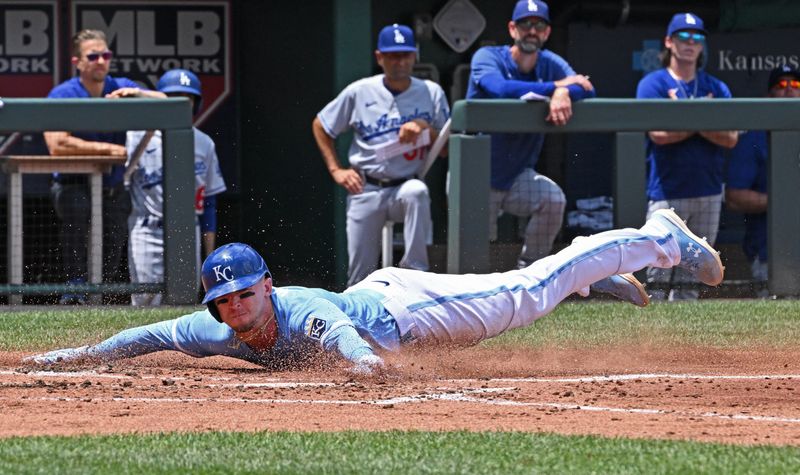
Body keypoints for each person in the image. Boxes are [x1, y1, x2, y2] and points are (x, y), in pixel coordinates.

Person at [26, 208, 724, 374]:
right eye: (224, 301)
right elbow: (144, 335)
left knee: (525, 291)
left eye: (244, 294)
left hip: (408, 312)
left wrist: (363, 369)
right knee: (531, 292)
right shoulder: (218, 331)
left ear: (267, 285)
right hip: (384, 294)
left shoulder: (302, 311)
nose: (235, 309)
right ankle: (588, 277)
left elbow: (344, 338)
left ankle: (657, 233)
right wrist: (73, 356)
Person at [312, 24, 450, 286]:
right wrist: (336, 170)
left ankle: (415, 276)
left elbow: (445, 149)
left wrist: (425, 128)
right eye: (392, 55)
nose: (399, 61)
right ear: (379, 57)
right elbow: (321, 125)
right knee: (358, 278)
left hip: (405, 183)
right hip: (366, 186)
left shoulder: (431, 92)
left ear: (414, 56)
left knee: (417, 192)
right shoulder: (359, 91)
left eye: (405, 55)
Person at [466, 0, 596, 269]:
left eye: (539, 25)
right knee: (473, 260)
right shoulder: (488, 56)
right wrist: (558, 86)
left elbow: (586, 87)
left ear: (547, 33)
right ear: (513, 29)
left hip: (517, 177)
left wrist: (563, 92)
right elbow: (499, 88)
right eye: (526, 24)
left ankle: (531, 274)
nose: (532, 31)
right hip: (476, 176)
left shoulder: (550, 62)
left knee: (553, 200)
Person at [44, 29, 165, 304]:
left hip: (112, 185)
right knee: (76, 219)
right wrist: (109, 150)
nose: (101, 60)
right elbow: (56, 143)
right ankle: (74, 291)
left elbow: (169, 103)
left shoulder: (118, 85)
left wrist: (136, 93)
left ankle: (99, 295)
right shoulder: (63, 93)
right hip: (74, 183)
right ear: (77, 61)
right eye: (93, 56)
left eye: (106, 55)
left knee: (113, 237)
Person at [636, 13, 738, 300]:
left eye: (696, 38)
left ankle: (683, 344)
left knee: (693, 276)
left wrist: (682, 114)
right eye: (683, 37)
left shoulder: (717, 87)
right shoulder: (652, 84)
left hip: (708, 190)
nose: (690, 43)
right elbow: (659, 134)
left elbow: (730, 138)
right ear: (669, 42)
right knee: (658, 271)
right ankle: (650, 339)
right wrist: (703, 117)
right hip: (668, 192)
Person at [126, 69, 228, 306]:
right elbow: (120, 180)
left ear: (195, 104)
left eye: (187, 98)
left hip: (188, 229)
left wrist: (208, 254)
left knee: (183, 301)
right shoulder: (136, 135)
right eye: (173, 97)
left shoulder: (204, 142)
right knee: (145, 302)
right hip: (147, 227)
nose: (181, 104)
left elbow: (210, 202)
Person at [725, 65, 800, 295]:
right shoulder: (754, 137)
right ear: (769, 96)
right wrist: (784, 202)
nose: (789, 91)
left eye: (796, 85)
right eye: (781, 86)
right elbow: (735, 197)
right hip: (771, 251)